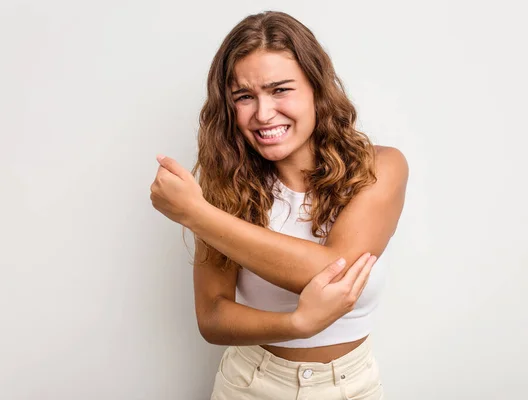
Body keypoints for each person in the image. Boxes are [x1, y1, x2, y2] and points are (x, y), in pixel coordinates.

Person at [150, 10, 408, 400]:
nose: (263, 113)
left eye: (280, 89)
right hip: (250, 384)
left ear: (317, 89)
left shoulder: (381, 168)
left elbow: (334, 270)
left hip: (351, 387)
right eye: (244, 97)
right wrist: (297, 324)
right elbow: (213, 317)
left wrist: (197, 215)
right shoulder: (226, 186)